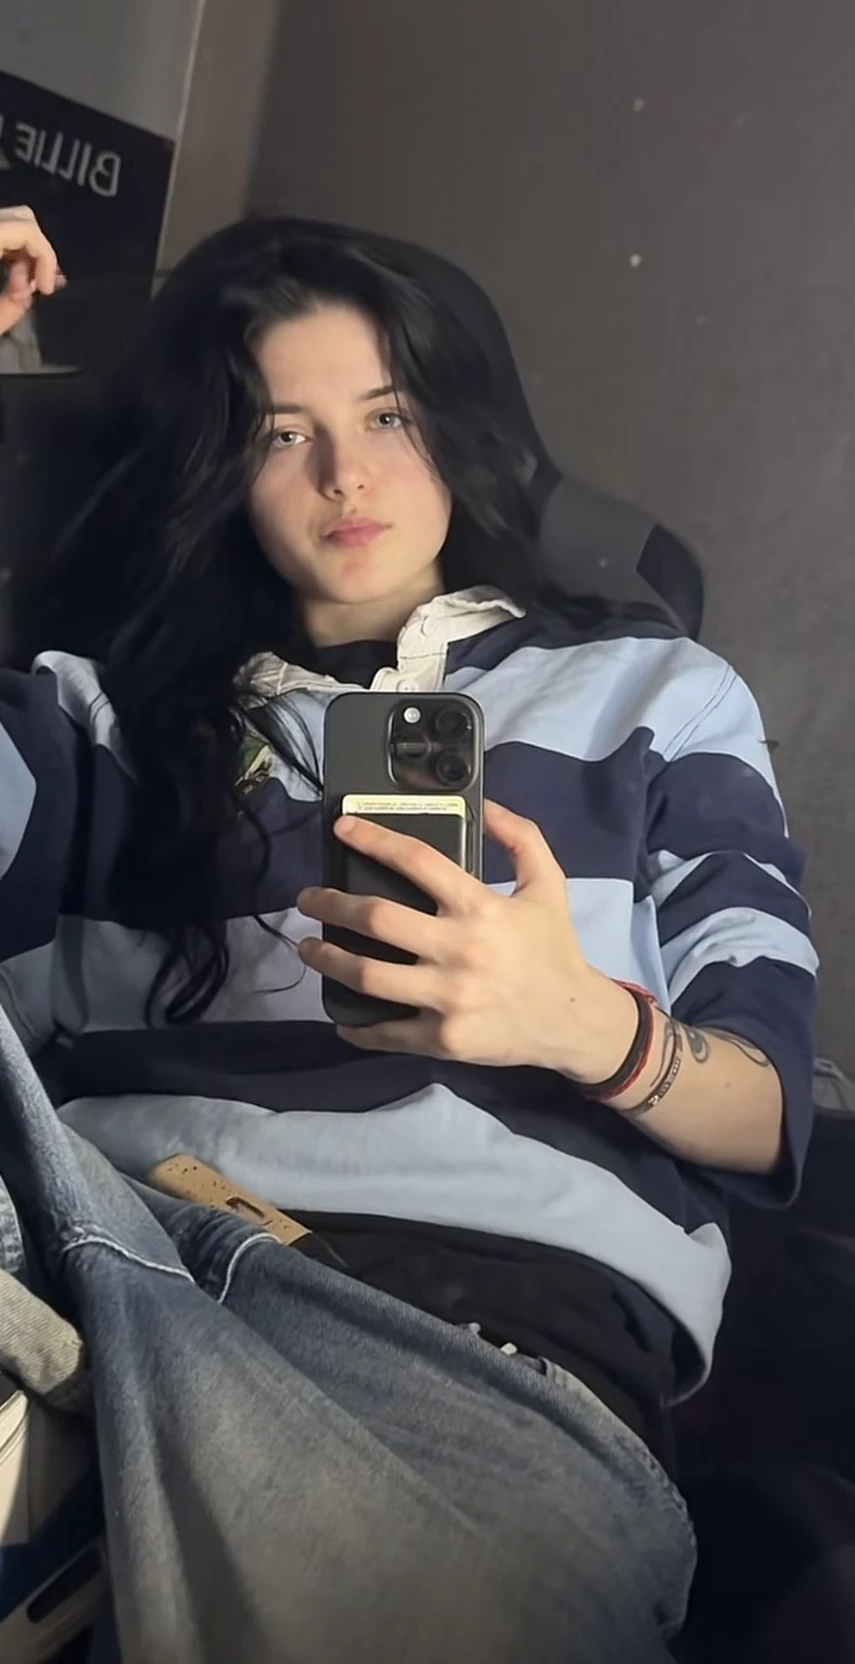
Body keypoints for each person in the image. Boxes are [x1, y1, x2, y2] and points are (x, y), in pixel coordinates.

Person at [0, 205, 816, 1662]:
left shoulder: (654, 694)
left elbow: (766, 1111)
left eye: (386, 414)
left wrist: (584, 1029)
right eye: (280, 433)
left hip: (471, 1343)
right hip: (99, 1245)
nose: (347, 476)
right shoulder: (91, 713)